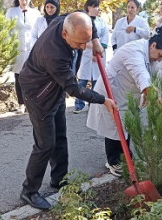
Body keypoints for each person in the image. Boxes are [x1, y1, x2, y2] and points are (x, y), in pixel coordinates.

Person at [18, 12, 117, 210]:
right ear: (64, 34)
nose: (83, 47)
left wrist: (95, 39)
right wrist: (102, 100)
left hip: (54, 89)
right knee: (45, 144)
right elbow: (74, 89)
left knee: (60, 138)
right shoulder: (54, 53)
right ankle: (29, 191)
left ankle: (59, 181)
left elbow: (86, 16)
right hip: (39, 96)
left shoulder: (65, 20)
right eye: (80, 43)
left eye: (86, 41)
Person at [86, 26, 162, 177]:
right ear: (153, 45)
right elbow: (139, 72)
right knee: (114, 128)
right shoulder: (134, 50)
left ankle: (127, 158)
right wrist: (147, 89)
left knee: (124, 127)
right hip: (112, 91)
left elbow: (155, 75)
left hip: (125, 94)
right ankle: (114, 162)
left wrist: (160, 95)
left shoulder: (150, 54)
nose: (159, 59)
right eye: (160, 55)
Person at [6, 0, 42, 114]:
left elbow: (40, 31)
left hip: (32, 49)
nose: (24, 1)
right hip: (17, 48)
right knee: (19, 77)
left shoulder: (36, 13)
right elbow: (7, 30)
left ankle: (32, 102)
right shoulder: (11, 12)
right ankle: (21, 103)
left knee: (33, 77)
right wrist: (9, 47)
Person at [74, 0, 110, 114]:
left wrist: (98, 50)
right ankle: (79, 105)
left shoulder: (101, 22)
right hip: (85, 54)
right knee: (82, 81)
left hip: (98, 55)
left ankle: (92, 105)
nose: (98, 9)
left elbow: (105, 37)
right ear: (89, 7)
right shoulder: (83, 20)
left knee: (96, 81)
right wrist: (92, 46)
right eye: (96, 6)